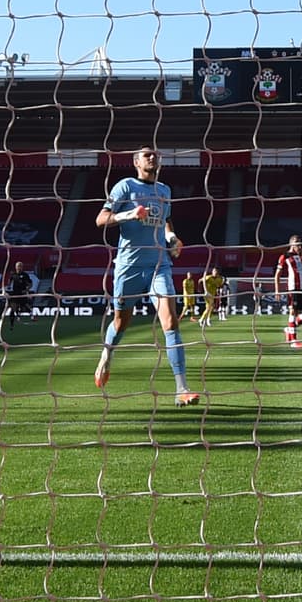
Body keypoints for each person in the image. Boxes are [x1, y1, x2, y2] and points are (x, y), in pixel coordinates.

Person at [94, 147, 199, 407]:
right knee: (121, 323)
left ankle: (181, 388)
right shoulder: (124, 186)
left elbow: (166, 221)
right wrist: (128, 214)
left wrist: (171, 238)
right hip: (128, 266)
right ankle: (106, 355)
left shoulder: (165, 190)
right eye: (147, 155)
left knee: (171, 323)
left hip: (158, 264)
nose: (152, 157)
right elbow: (100, 219)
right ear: (136, 162)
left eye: (155, 154)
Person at [274, 234, 302, 348]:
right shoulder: (284, 256)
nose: (299, 244)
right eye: (296, 242)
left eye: (300, 242)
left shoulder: (300, 256)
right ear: (291, 243)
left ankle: (289, 329)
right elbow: (277, 275)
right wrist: (277, 291)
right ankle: (293, 341)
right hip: (293, 288)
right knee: (292, 312)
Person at [4, 261, 35, 331]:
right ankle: (12, 325)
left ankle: (31, 315)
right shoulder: (13, 274)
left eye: (20, 266)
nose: (19, 267)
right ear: (15, 267)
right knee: (12, 309)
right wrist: (7, 288)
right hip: (15, 293)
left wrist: (26, 290)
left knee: (24, 305)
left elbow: (30, 284)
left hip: (22, 293)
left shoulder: (25, 275)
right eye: (18, 266)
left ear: (22, 267)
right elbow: (9, 283)